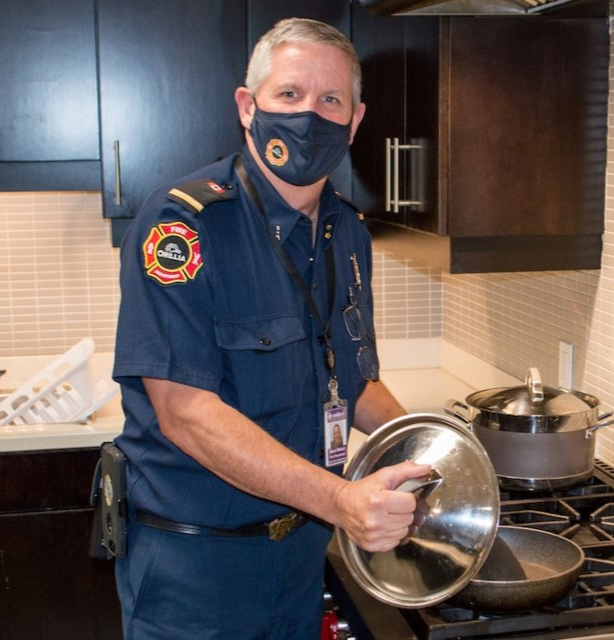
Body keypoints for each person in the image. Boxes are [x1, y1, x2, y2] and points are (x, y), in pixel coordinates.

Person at [111, 17, 429, 639]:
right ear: (247, 105)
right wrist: (341, 501)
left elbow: (352, 380)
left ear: (355, 120)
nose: (309, 114)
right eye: (290, 94)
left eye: (330, 100)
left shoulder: (348, 232)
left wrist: (430, 448)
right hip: (196, 568)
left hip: (300, 556)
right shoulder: (182, 224)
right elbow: (185, 412)